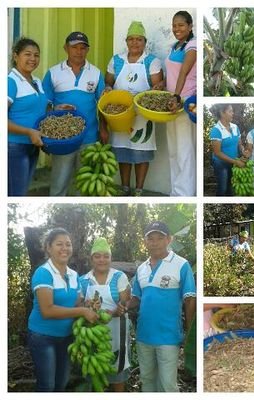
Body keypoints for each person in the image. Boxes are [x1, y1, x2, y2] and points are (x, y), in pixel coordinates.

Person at [27, 228, 98, 391]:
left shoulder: (74, 275)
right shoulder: (43, 273)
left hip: (67, 337)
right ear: (48, 247)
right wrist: (81, 312)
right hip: (43, 337)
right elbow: (47, 310)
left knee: (61, 382)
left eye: (68, 244)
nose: (64, 248)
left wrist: (90, 307)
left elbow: (77, 303)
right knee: (47, 385)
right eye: (59, 244)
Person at [130, 221, 196, 392]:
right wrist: (120, 305)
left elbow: (190, 299)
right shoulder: (142, 269)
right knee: (147, 380)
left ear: (169, 239)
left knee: (167, 385)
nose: (155, 242)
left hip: (168, 337)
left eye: (160, 238)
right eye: (150, 238)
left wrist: (190, 333)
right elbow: (136, 298)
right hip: (144, 336)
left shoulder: (181, 264)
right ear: (145, 242)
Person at [102, 21, 163, 197]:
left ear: (145, 42)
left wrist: (157, 88)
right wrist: (107, 88)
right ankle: (125, 186)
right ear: (126, 41)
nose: (135, 43)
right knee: (123, 151)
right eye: (131, 39)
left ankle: (139, 188)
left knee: (141, 150)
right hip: (119, 113)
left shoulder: (152, 61)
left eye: (139, 39)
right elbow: (109, 82)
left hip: (142, 113)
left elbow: (157, 86)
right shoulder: (116, 60)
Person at [43, 32, 105, 196]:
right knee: (59, 182)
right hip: (63, 138)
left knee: (85, 185)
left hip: (89, 136)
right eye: (74, 47)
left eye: (82, 48)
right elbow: (44, 104)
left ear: (87, 50)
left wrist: (104, 129)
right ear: (66, 48)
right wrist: (56, 109)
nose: (79, 51)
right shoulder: (53, 72)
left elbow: (103, 104)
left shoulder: (96, 73)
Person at [79, 238, 131, 391]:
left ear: (110, 258)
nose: (102, 260)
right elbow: (79, 305)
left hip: (117, 329)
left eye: (106, 256)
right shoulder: (83, 280)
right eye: (97, 256)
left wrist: (118, 310)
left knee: (117, 367)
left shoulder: (119, 277)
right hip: (92, 331)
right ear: (91, 259)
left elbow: (126, 301)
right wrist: (87, 305)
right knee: (95, 363)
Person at [162, 11, 197, 196]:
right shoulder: (175, 46)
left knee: (184, 150)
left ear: (190, 26)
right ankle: (175, 191)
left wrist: (176, 97)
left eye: (181, 25)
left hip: (184, 102)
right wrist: (163, 87)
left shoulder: (193, 45)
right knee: (173, 149)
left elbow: (184, 72)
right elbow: (172, 74)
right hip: (171, 102)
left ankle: (185, 193)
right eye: (174, 25)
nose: (177, 29)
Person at [8, 37, 47, 196]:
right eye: (27, 54)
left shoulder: (36, 81)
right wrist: (28, 132)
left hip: (33, 145)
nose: (33, 59)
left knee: (21, 191)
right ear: (16, 56)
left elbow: (36, 107)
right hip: (14, 147)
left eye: (36, 55)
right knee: (15, 194)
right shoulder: (10, 82)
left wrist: (56, 108)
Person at [209, 104, 246, 196]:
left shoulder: (235, 127)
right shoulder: (216, 130)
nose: (233, 113)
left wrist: (243, 152)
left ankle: (229, 204)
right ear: (222, 113)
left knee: (230, 185)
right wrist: (236, 162)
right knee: (223, 187)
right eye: (230, 111)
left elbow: (239, 144)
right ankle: (219, 206)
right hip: (220, 163)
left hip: (234, 161)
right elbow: (217, 153)